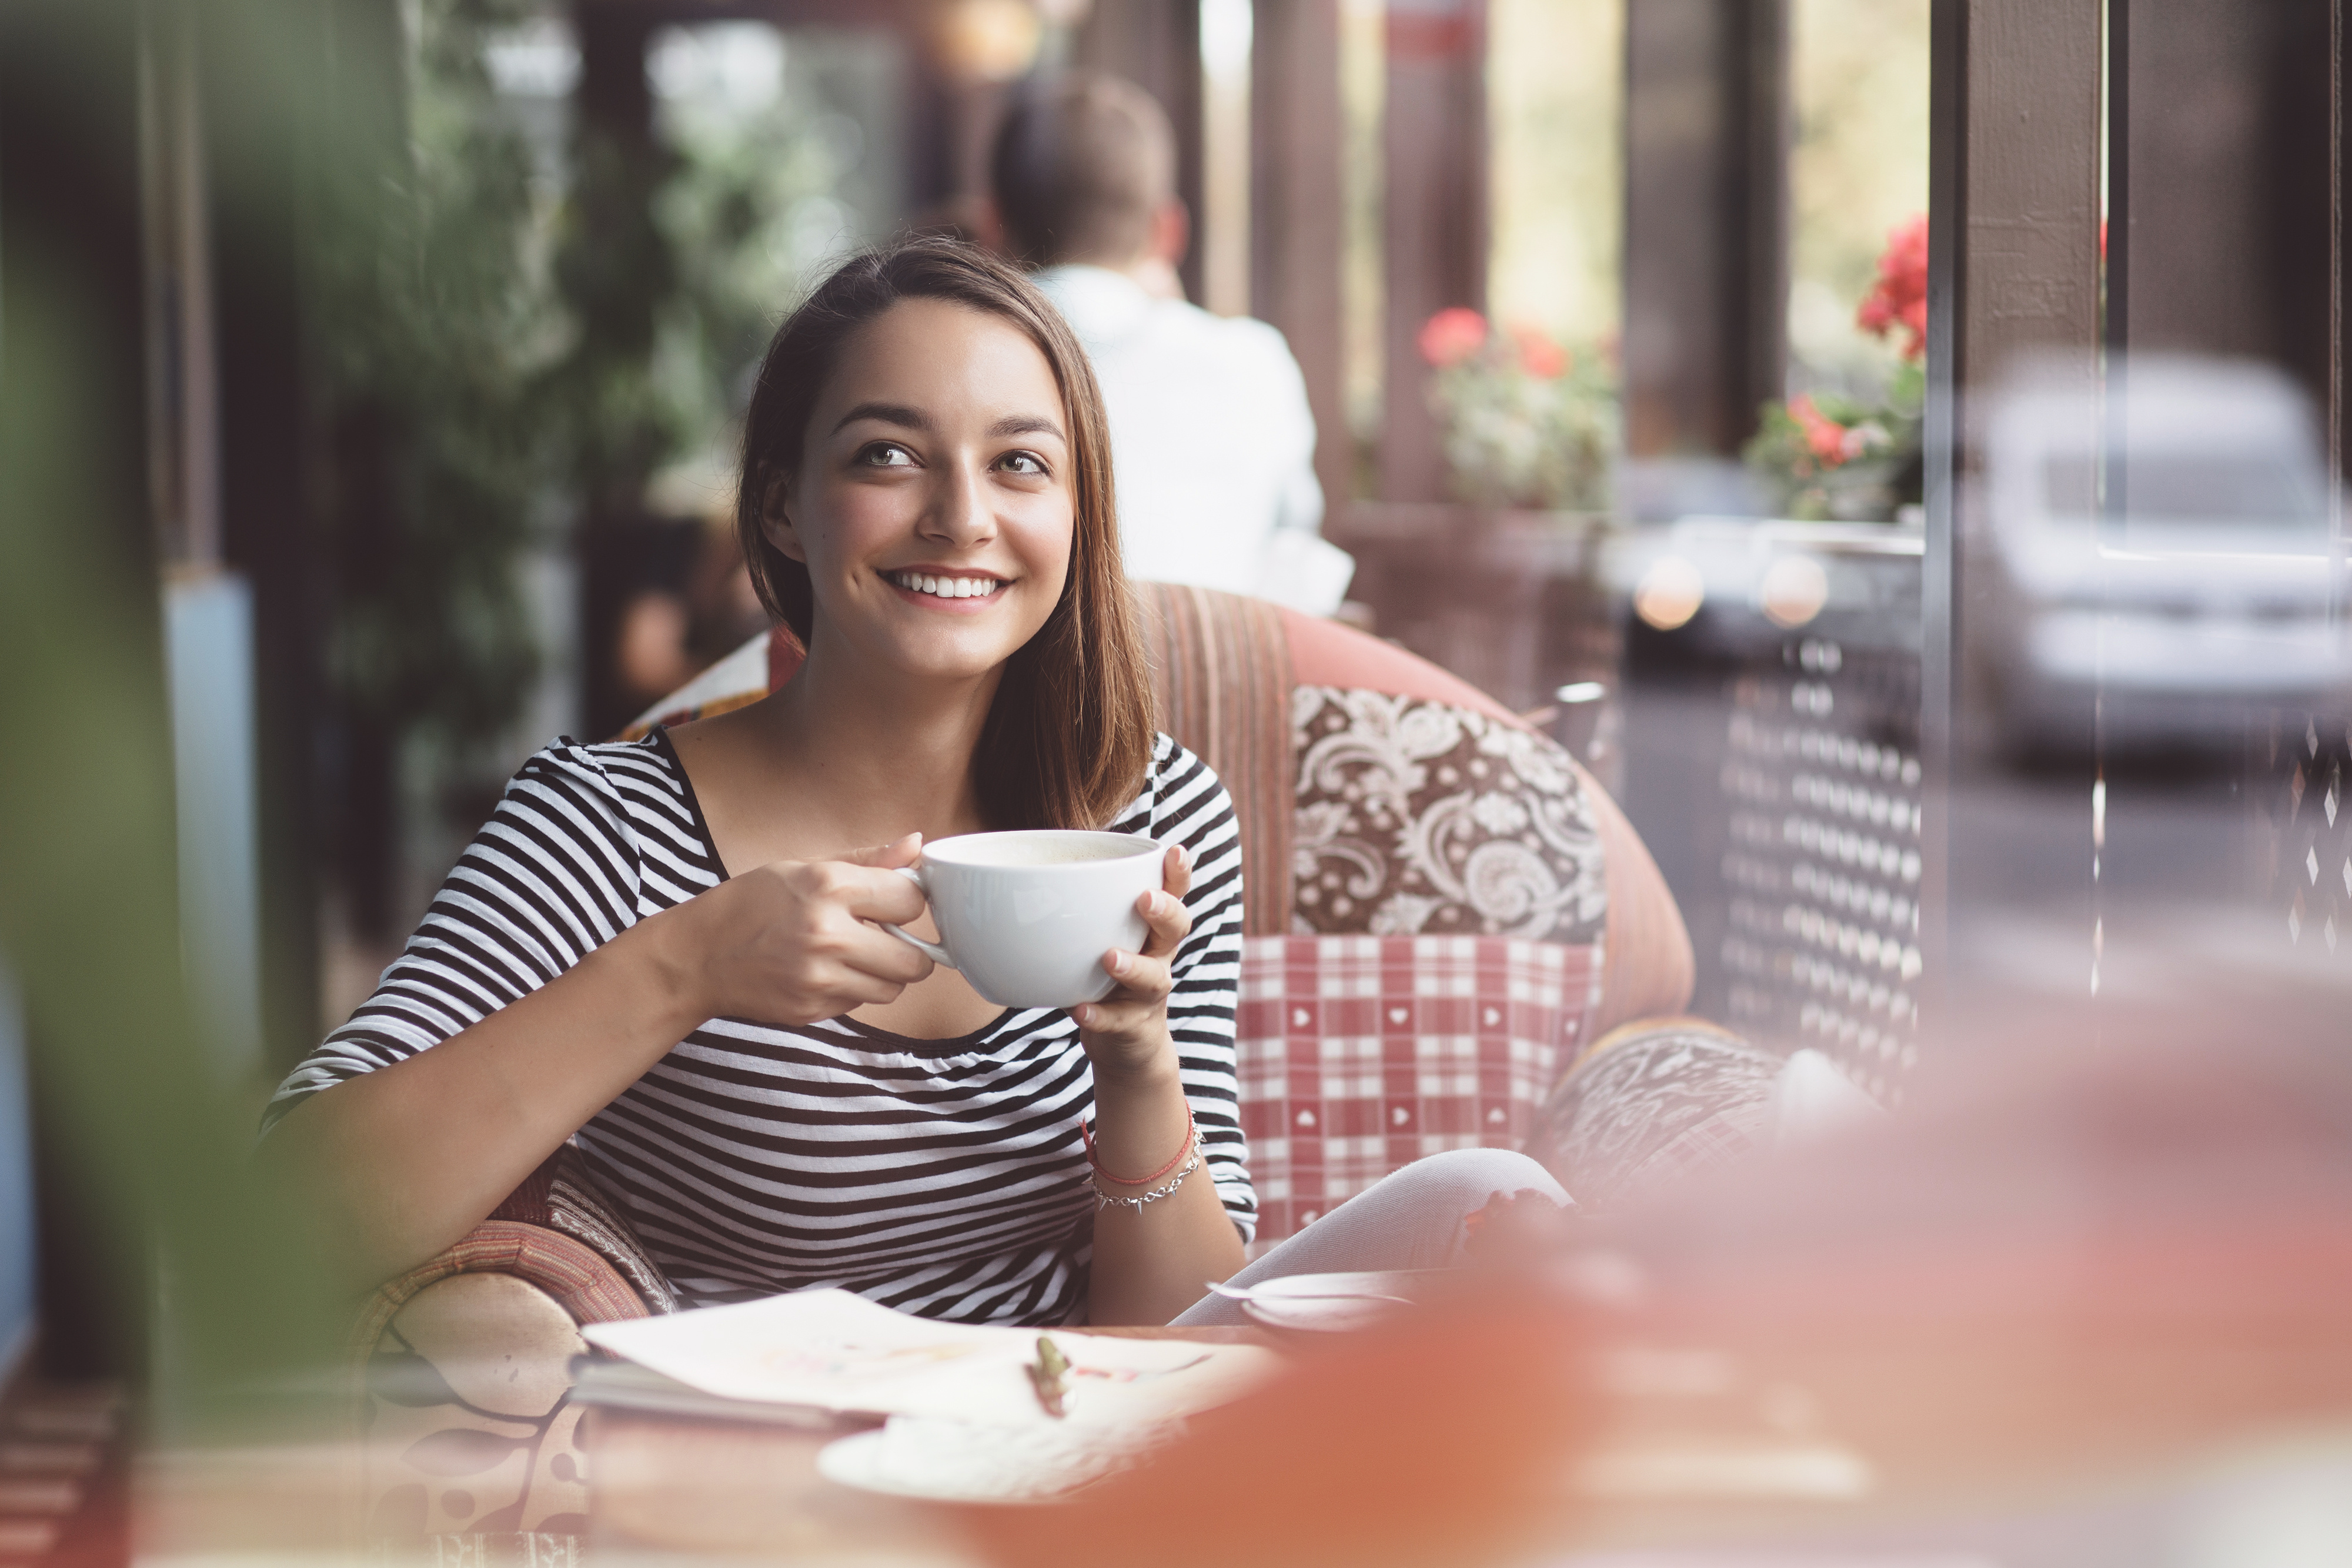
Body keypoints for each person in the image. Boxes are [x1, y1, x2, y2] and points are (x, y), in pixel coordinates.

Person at [262, 239, 1557, 1328]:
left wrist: (1136, 1069)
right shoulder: (613, 827)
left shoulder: (1155, 818)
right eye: (887, 456)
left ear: (1076, 512)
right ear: (782, 508)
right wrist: (687, 964)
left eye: (1018, 463)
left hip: (1079, 1463)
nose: (959, 516)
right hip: (763, 1487)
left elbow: (1181, 1341)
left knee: (1492, 1200)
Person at [987, 72, 1354, 616]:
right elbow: (1290, 543)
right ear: (1168, 232)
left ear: (991, 228)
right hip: (1212, 684)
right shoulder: (1253, 362)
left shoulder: (962, 360)